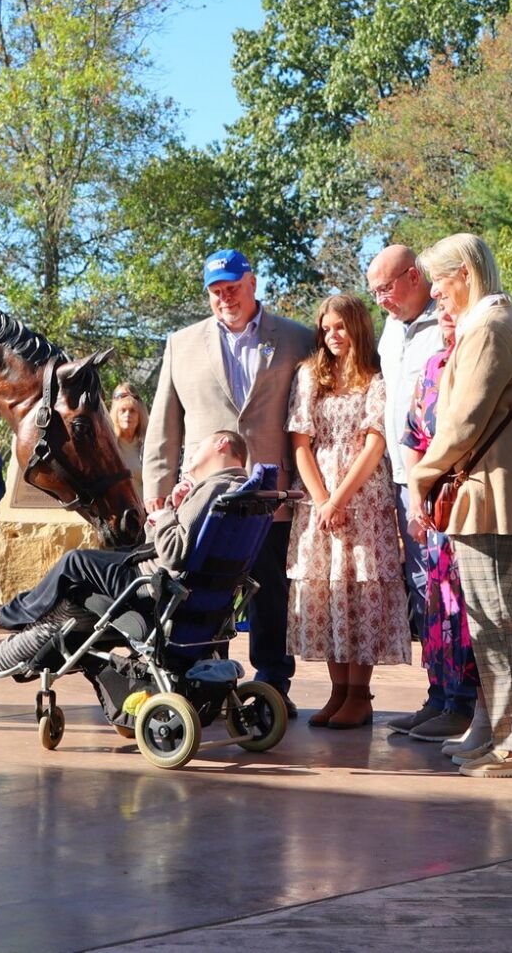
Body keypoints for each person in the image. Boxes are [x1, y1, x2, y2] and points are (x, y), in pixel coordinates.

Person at [409, 234, 512, 778]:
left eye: (439, 282)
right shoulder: (495, 323)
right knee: (491, 628)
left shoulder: (490, 327)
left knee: (503, 625)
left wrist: (420, 479)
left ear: (465, 274)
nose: (433, 294)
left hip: (499, 499)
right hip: (490, 496)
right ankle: (501, 734)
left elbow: (462, 423)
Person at [144, 249, 316, 710]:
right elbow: (164, 426)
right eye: (216, 293)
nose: (225, 299)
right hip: (201, 499)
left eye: (233, 289)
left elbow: (310, 418)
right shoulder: (182, 344)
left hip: (268, 495)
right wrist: (157, 495)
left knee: (269, 592)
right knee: (205, 592)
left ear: (253, 283)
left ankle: (273, 686)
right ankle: (207, 684)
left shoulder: (298, 340)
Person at [0, 430, 251, 676]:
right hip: (186, 590)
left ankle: (12, 617)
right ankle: (26, 623)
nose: (192, 452)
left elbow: (173, 553)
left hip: (154, 585)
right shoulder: (239, 493)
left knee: (74, 563)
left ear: (222, 444)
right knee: (94, 565)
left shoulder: (212, 490)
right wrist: (176, 504)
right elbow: (170, 543)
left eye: (199, 444)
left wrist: (167, 514)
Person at [286, 294, 411, 729]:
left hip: (362, 496)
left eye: (340, 327)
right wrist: (322, 499)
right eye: (325, 327)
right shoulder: (309, 375)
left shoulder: (376, 377)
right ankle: (337, 692)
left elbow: (376, 440)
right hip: (318, 496)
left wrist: (341, 498)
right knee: (325, 589)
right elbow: (300, 441)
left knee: (359, 591)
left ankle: (360, 694)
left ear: (357, 326)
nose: (332, 335)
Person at [365, 244, 444, 735]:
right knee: (422, 589)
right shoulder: (392, 330)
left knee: (448, 589)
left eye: (386, 289)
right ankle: (438, 694)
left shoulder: (449, 323)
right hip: (400, 479)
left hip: (440, 481)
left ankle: (463, 699)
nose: (381, 302)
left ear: (414, 277)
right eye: (374, 292)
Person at [400, 307, 479, 744]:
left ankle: (465, 704)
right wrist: (416, 502)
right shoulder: (433, 367)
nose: (447, 317)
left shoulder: (483, 361)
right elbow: (413, 436)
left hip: (469, 498)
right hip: (434, 505)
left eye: (456, 311)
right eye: (443, 313)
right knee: (437, 603)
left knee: (468, 608)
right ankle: (439, 696)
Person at [108, 384, 148, 480]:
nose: (127, 415)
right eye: (123, 410)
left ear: (140, 416)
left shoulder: (146, 445)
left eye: (132, 411)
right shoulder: (109, 445)